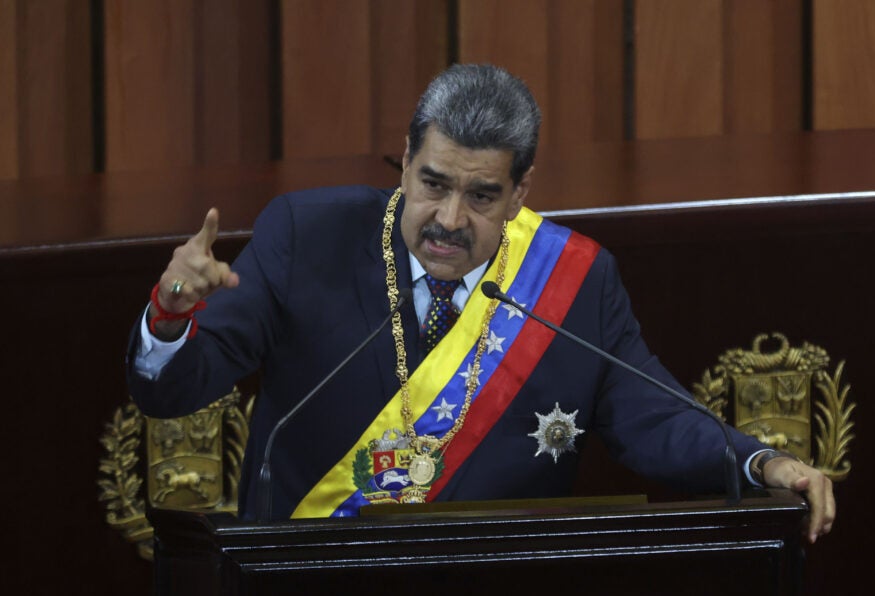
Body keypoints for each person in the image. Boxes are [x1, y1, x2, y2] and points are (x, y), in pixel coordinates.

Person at [126, 64, 834, 540]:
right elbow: (171, 391)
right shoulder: (305, 238)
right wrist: (170, 313)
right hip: (308, 593)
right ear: (405, 161)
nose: (449, 219)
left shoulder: (574, 282)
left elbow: (654, 415)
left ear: (521, 192)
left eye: (482, 196)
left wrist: (763, 464)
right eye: (433, 184)